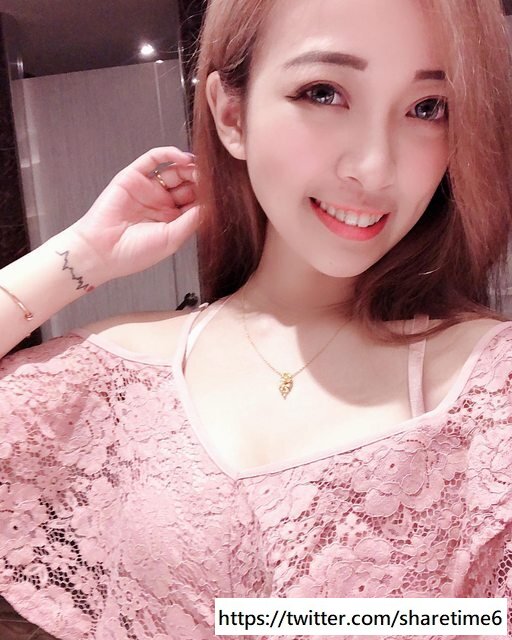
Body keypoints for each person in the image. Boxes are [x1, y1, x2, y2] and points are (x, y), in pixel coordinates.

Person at [1, 0, 512, 638]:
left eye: (428, 108)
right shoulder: (121, 376)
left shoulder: (486, 389)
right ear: (232, 115)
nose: (374, 167)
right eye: (324, 93)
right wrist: (80, 256)